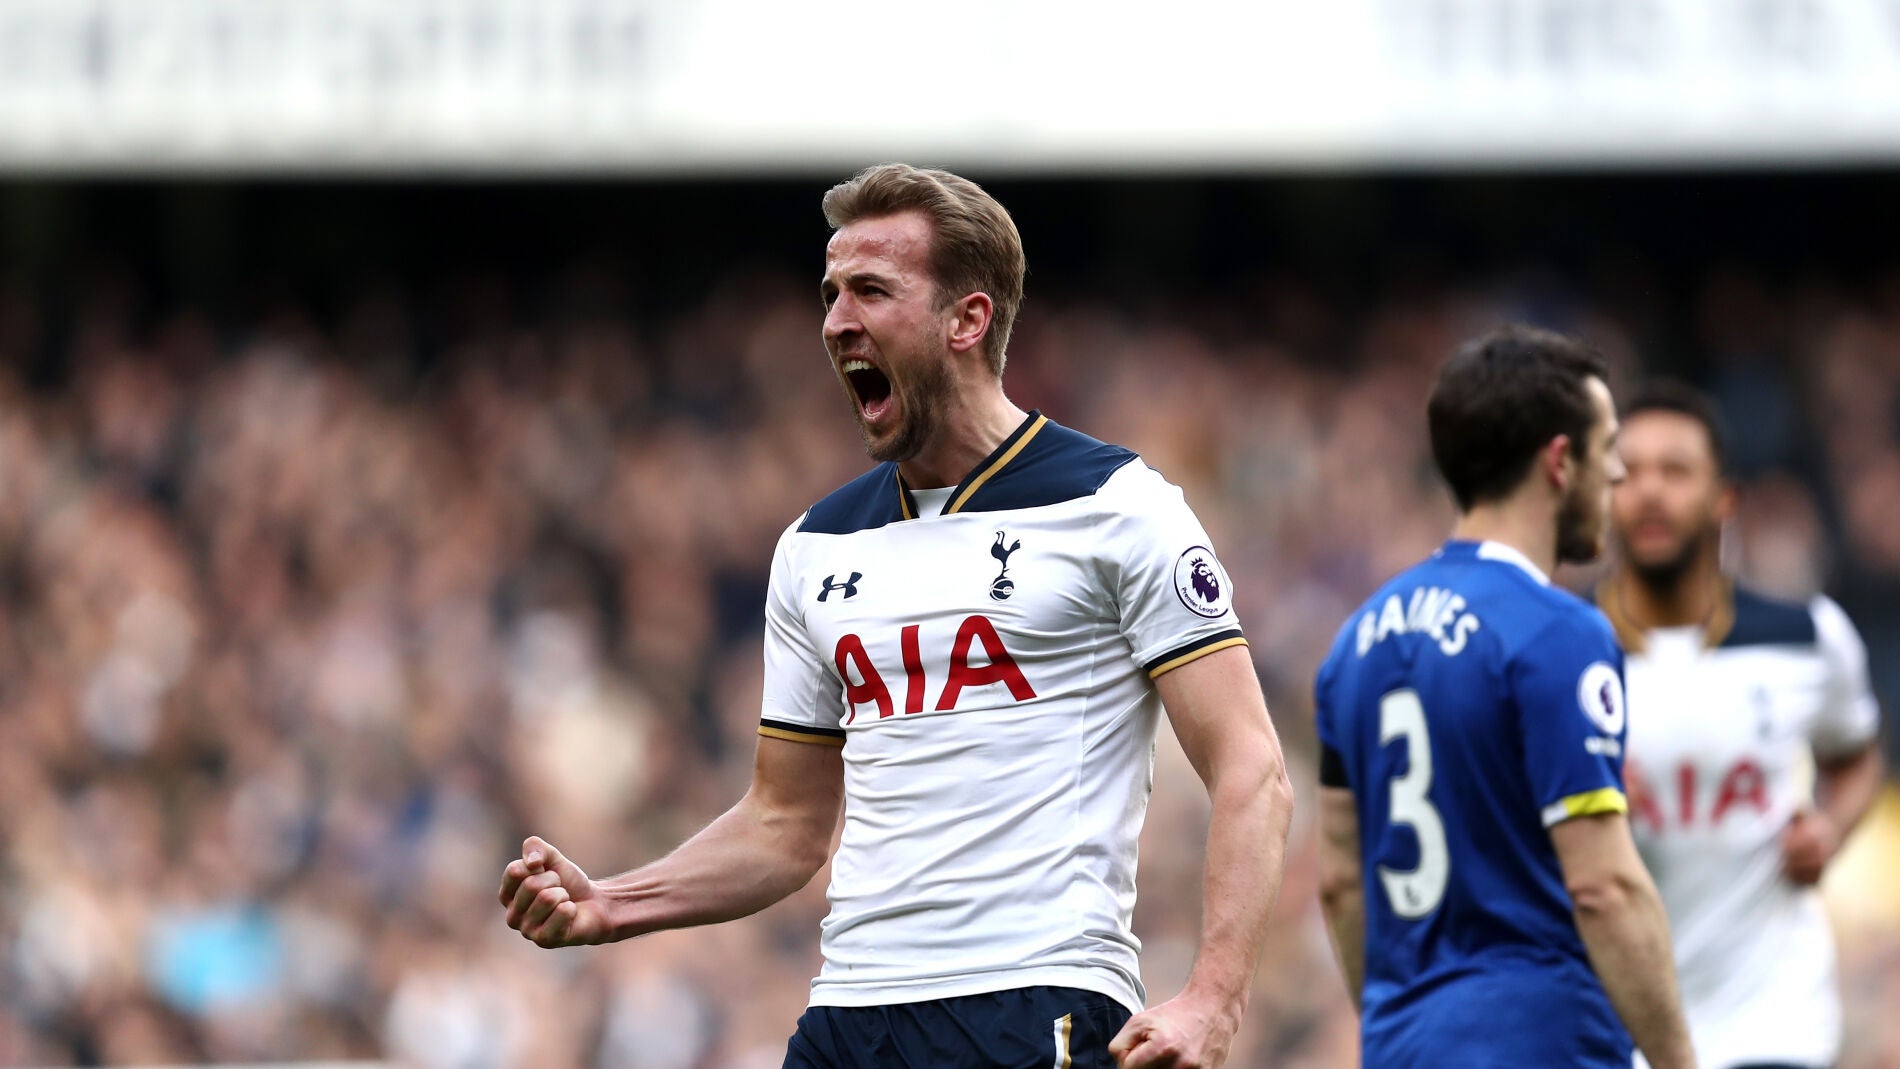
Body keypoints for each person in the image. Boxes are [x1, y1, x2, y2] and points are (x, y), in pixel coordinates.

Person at [498, 163, 1295, 1069]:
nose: (837, 321)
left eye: (872, 290)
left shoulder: (1115, 506)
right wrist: (612, 903)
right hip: (851, 1014)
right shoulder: (816, 545)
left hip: (1035, 1001)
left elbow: (1251, 767)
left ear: (968, 319)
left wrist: (1214, 1002)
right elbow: (785, 822)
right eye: (832, 293)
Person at [1313, 325, 1697, 1069]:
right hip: (1545, 1037)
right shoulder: (1559, 632)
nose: (1618, 473)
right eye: (1608, 445)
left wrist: (1405, 1023)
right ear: (1560, 461)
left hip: (1402, 1043)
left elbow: (1337, 880)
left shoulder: (1353, 643)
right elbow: (1606, 887)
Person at [1598, 381, 1885, 1069]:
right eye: (1627, 472)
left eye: (1675, 470)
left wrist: (1830, 828)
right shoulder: (1559, 651)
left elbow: (1856, 755)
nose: (1650, 492)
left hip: (1772, 1017)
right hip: (1616, 1023)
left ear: (1724, 498)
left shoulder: (1805, 636)